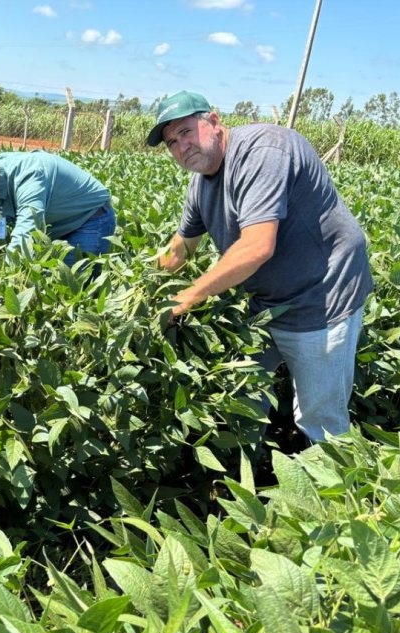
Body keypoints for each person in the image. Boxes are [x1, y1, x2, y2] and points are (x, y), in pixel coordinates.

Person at [148, 90, 373, 443]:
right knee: (244, 396)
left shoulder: (262, 151)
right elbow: (180, 250)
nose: (181, 146)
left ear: (214, 121)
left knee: (319, 417)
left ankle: (338, 491)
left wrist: (190, 295)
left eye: (186, 131)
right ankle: (246, 474)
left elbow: (257, 246)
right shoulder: (201, 184)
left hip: (322, 295)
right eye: (172, 142)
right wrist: (139, 287)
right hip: (267, 304)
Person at [0, 144, 115, 266]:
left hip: (90, 219)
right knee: (43, 280)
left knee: (70, 288)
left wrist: (4, 278)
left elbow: (28, 227)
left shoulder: (28, 173)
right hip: (55, 225)